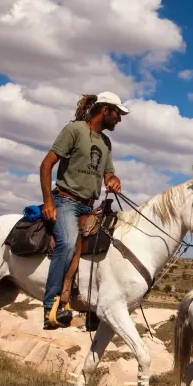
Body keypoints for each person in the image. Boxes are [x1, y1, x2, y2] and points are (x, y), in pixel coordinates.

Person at [39, 91, 128, 329]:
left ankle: (93, 307)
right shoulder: (74, 131)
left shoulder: (106, 143)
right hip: (66, 201)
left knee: (113, 244)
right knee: (67, 244)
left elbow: (108, 172)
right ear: (105, 110)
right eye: (117, 114)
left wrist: (113, 180)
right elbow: (47, 164)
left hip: (89, 207)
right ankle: (51, 306)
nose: (119, 119)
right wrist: (48, 201)